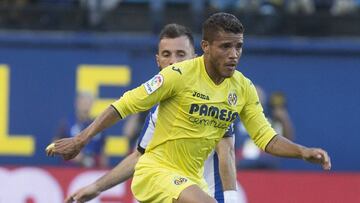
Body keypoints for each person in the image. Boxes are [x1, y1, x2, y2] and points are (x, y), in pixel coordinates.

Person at [48, 13, 331, 203]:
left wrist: (302, 151)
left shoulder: (241, 88)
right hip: (158, 173)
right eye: (225, 47)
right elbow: (123, 107)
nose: (233, 54)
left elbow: (265, 138)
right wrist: (81, 140)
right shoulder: (178, 77)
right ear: (206, 47)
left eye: (239, 47)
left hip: (191, 181)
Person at [61, 23, 243, 203]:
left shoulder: (215, 100)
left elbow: (226, 151)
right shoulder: (159, 111)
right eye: (167, 55)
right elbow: (139, 156)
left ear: (195, 58)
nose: (173, 62)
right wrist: (96, 187)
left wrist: (231, 198)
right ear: (158, 61)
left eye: (181, 54)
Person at [236, 85, 295, 169]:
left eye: (257, 99)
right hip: (241, 165)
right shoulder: (235, 119)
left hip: (267, 164)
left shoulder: (271, 121)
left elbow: (288, 141)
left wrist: (284, 119)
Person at [53, 91, 108, 168]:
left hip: (93, 168)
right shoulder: (67, 123)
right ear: (77, 103)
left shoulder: (98, 125)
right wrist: (76, 157)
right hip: (70, 169)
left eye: (88, 102)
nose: (86, 105)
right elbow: (55, 145)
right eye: (83, 102)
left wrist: (103, 168)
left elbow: (102, 150)